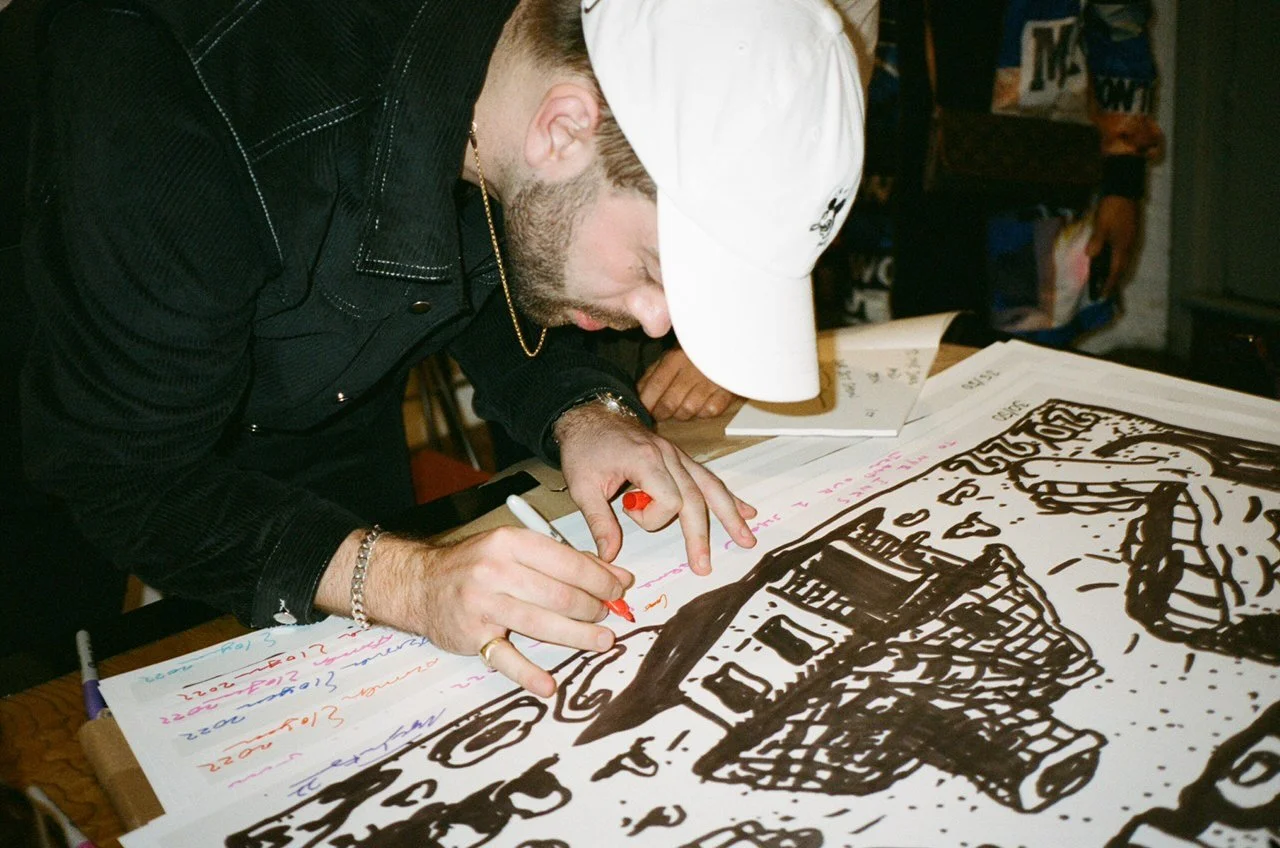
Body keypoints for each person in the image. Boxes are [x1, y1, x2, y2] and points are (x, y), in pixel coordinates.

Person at [20, 0, 865, 696]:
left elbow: (492, 258)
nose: (655, 325)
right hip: (60, 397)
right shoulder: (183, 112)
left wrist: (582, 409)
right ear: (564, 128)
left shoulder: (507, 82)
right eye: (651, 271)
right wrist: (406, 583)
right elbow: (118, 469)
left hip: (325, 395)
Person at [891, 0, 1162, 345]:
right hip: (895, 182)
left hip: (1031, 190)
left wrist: (1124, 184)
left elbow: (1120, 29)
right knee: (898, 352)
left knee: (1022, 358)